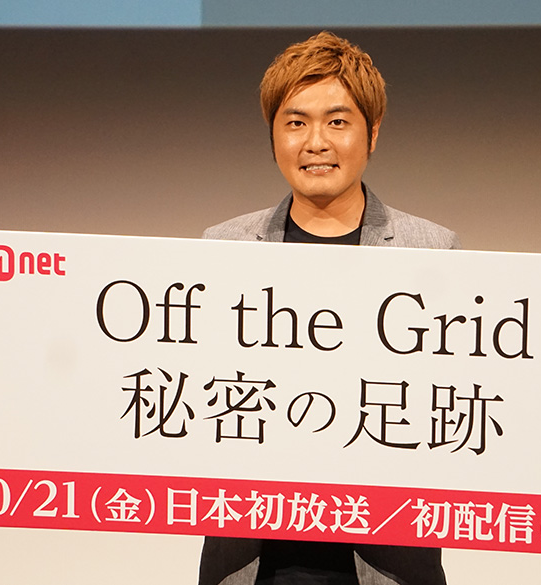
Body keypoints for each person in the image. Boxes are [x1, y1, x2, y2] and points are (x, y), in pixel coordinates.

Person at [200, 31, 459, 585]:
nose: (315, 142)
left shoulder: (434, 251)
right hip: (253, 558)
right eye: (295, 123)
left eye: (337, 122)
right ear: (273, 136)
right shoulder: (222, 248)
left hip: (386, 558)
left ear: (373, 133)